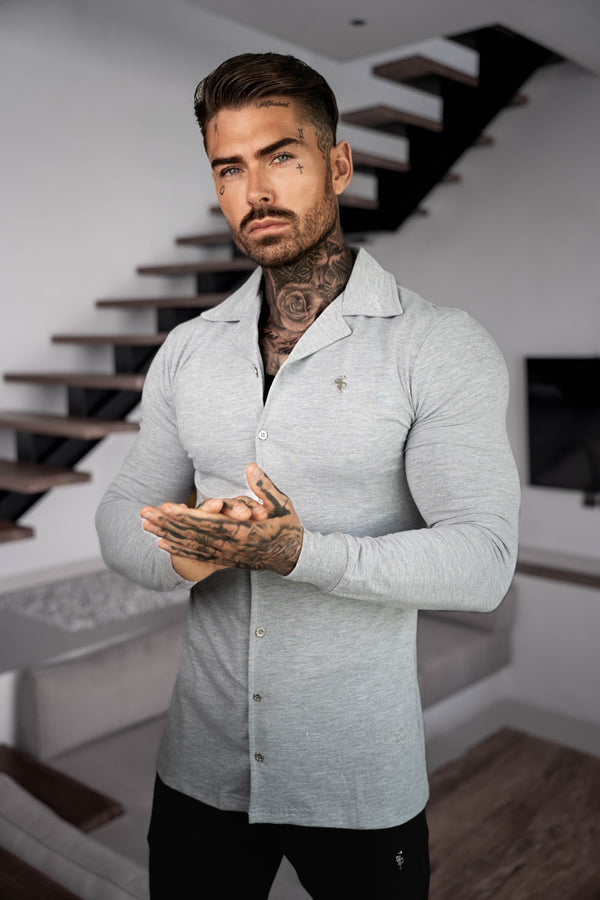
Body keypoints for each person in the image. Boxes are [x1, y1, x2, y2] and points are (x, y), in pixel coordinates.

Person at [96, 52, 520, 900]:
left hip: (357, 783)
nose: (255, 190)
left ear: (338, 164)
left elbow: (484, 561)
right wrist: (190, 552)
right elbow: (120, 512)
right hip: (199, 772)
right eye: (229, 168)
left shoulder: (438, 344)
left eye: (280, 157)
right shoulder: (187, 350)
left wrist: (299, 554)